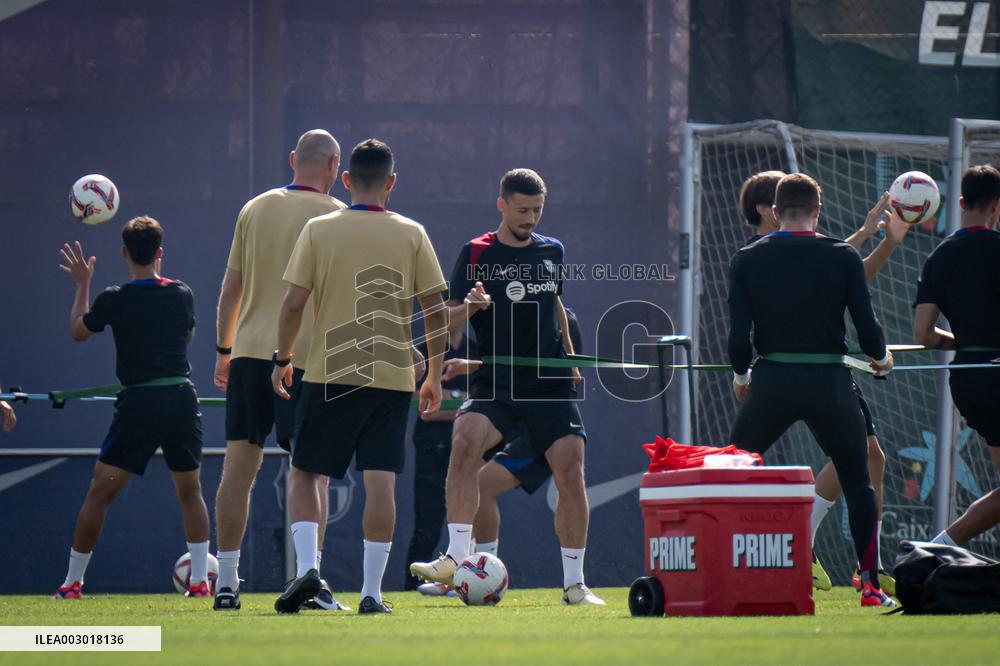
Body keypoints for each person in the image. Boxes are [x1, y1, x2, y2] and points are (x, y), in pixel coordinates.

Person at [409, 169, 604, 606]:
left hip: (548, 385)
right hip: (495, 381)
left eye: (537, 210)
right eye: (522, 210)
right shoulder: (475, 253)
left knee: (571, 471)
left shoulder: (553, 251)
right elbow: (445, 321)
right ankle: (457, 561)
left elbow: (556, 306)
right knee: (463, 443)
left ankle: (574, 585)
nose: (530, 218)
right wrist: (471, 309)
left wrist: (571, 356)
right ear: (502, 205)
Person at [272, 138, 448, 615]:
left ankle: (309, 568)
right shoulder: (412, 233)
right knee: (381, 482)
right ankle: (372, 593)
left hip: (329, 373)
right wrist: (432, 374)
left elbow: (291, 304)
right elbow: (435, 311)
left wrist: (282, 357)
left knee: (306, 472)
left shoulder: (318, 229)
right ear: (391, 182)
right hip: (392, 379)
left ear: (346, 180)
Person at [737, 170, 910, 593]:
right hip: (829, 382)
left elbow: (737, 335)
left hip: (771, 380)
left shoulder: (747, 258)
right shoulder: (842, 256)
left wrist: (742, 376)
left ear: (776, 213)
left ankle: (729, 571)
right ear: (818, 210)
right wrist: (882, 357)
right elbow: (867, 331)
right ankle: (870, 584)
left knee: (731, 470)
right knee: (858, 480)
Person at [213, 130, 348, 612]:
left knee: (238, 468)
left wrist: (223, 349)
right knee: (311, 474)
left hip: (249, 353)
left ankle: (225, 584)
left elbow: (231, 289)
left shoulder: (254, 207)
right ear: (334, 165)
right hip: (307, 358)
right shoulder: (338, 216)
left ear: (294, 160)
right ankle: (309, 583)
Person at [53, 219, 211, 599]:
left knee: (99, 493)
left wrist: (83, 284)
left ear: (124, 253)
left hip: (141, 404)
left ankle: (73, 584)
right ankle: (202, 582)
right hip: (180, 400)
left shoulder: (114, 298)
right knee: (190, 492)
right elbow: (187, 334)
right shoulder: (182, 293)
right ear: (160, 253)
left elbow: (78, 330)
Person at [415, 307, 584, 597]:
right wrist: (470, 365)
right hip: (515, 421)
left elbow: (543, 370)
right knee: (473, 472)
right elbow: (505, 365)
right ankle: (467, 573)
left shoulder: (563, 319)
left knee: (484, 483)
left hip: (539, 429)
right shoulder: (510, 317)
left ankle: (479, 573)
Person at [914, 164, 1000, 548]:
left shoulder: (939, 256)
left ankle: (935, 550)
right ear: (997, 206)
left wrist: (961, 343)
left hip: (968, 378)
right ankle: (933, 551)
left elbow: (923, 333)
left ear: (961, 201)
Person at [402, 327, 471, 592]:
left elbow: (484, 399)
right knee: (428, 521)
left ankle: (465, 580)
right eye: (449, 305)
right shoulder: (425, 348)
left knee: (468, 516)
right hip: (431, 446)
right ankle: (414, 585)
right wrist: (462, 400)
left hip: (467, 446)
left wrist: (448, 400)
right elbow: (424, 408)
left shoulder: (473, 346)